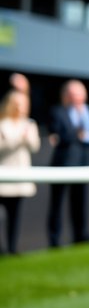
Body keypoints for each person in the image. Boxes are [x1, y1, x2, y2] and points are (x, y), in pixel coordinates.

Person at [47, 79, 89, 246]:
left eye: (79, 93)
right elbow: (56, 135)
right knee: (57, 203)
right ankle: (54, 239)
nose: (76, 97)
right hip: (64, 164)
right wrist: (76, 136)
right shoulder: (58, 111)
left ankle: (80, 235)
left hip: (85, 163)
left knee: (80, 201)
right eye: (73, 94)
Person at [0, 89, 40, 254]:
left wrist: (27, 137)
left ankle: (12, 247)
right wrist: (18, 139)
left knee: (15, 215)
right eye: (18, 104)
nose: (21, 108)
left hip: (20, 176)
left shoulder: (29, 124)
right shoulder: (2, 124)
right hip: (3, 176)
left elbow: (34, 146)